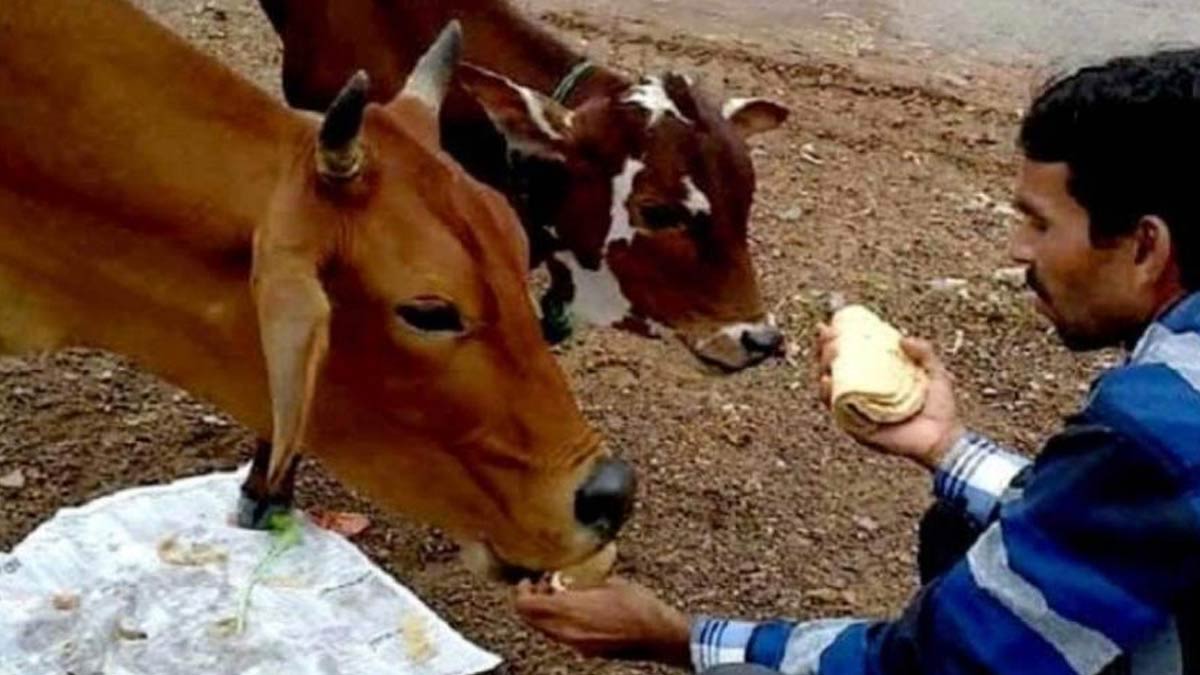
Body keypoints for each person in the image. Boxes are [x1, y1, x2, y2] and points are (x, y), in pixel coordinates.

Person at [512, 47, 1200, 674]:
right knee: (965, 522)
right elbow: (1132, 510)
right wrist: (945, 447)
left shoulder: (1154, 424)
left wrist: (677, 635)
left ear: (1146, 247)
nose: (1018, 250)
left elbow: (926, 665)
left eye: (1039, 222)